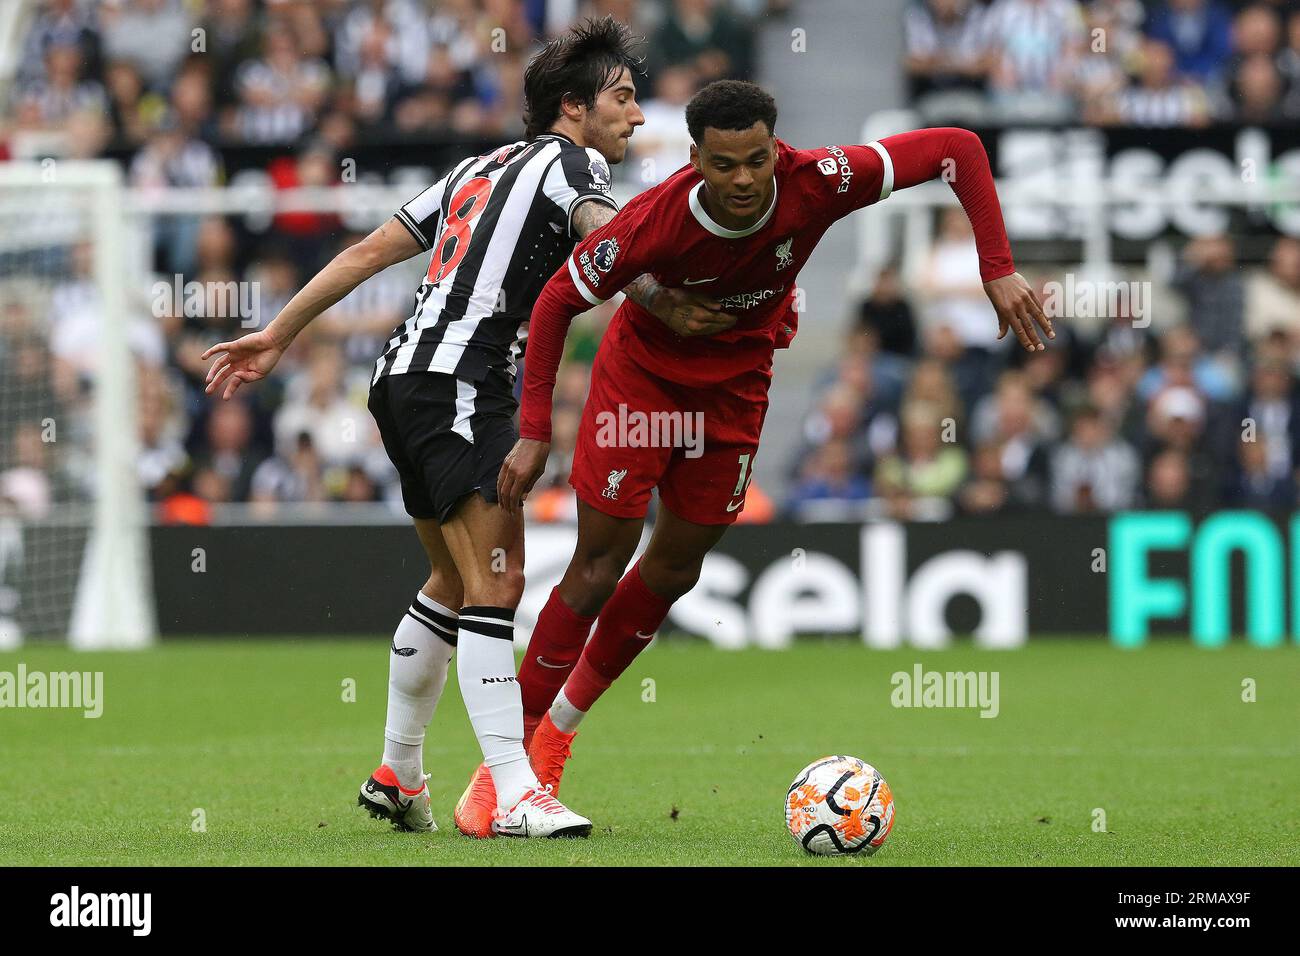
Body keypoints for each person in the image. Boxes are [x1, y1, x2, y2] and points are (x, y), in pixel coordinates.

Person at [200, 17, 720, 840]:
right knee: (499, 585)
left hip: (400, 378)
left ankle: (398, 772)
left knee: (451, 581)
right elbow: (605, 242)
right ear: (573, 107)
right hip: (464, 384)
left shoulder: (473, 169)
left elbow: (369, 251)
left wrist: (278, 333)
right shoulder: (570, 161)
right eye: (623, 99)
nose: (638, 116)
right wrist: (671, 301)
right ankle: (516, 792)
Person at [472, 79, 1049, 812]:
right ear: (695, 159)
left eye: (756, 160)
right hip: (641, 385)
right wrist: (532, 432)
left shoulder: (822, 179)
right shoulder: (652, 222)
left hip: (735, 394)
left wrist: (995, 268)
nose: (742, 180)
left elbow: (957, 149)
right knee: (595, 564)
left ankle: (556, 734)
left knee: (677, 565)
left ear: (776, 147)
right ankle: (502, 768)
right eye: (723, 165)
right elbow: (557, 299)